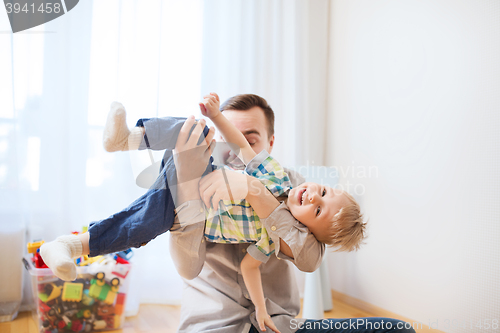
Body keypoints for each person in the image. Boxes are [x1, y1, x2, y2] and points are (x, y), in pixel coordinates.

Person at [41, 93, 415, 333]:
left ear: (271, 142)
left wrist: (262, 309)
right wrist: (215, 121)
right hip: (210, 308)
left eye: (317, 209)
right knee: (194, 133)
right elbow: (232, 144)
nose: (311, 196)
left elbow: (290, 259)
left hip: (271, 320)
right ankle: (131, 139)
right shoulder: (264, 172)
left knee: (146, 220)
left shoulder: (278, 211)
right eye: (321, 193)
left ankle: (73, 245)